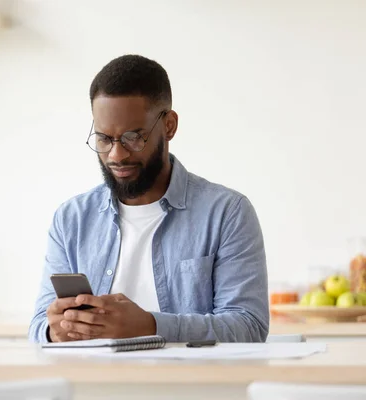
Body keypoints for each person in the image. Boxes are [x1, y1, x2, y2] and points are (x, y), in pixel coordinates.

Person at [28, 54, 269, 344]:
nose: (116, 155)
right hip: (94, 387)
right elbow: (38, 327)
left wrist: (150, 325)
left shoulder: (226, 213)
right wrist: (54, 331)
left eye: (133, 137)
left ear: (169, 125)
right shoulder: (72, 219)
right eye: (104, 139)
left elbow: (248, 326)